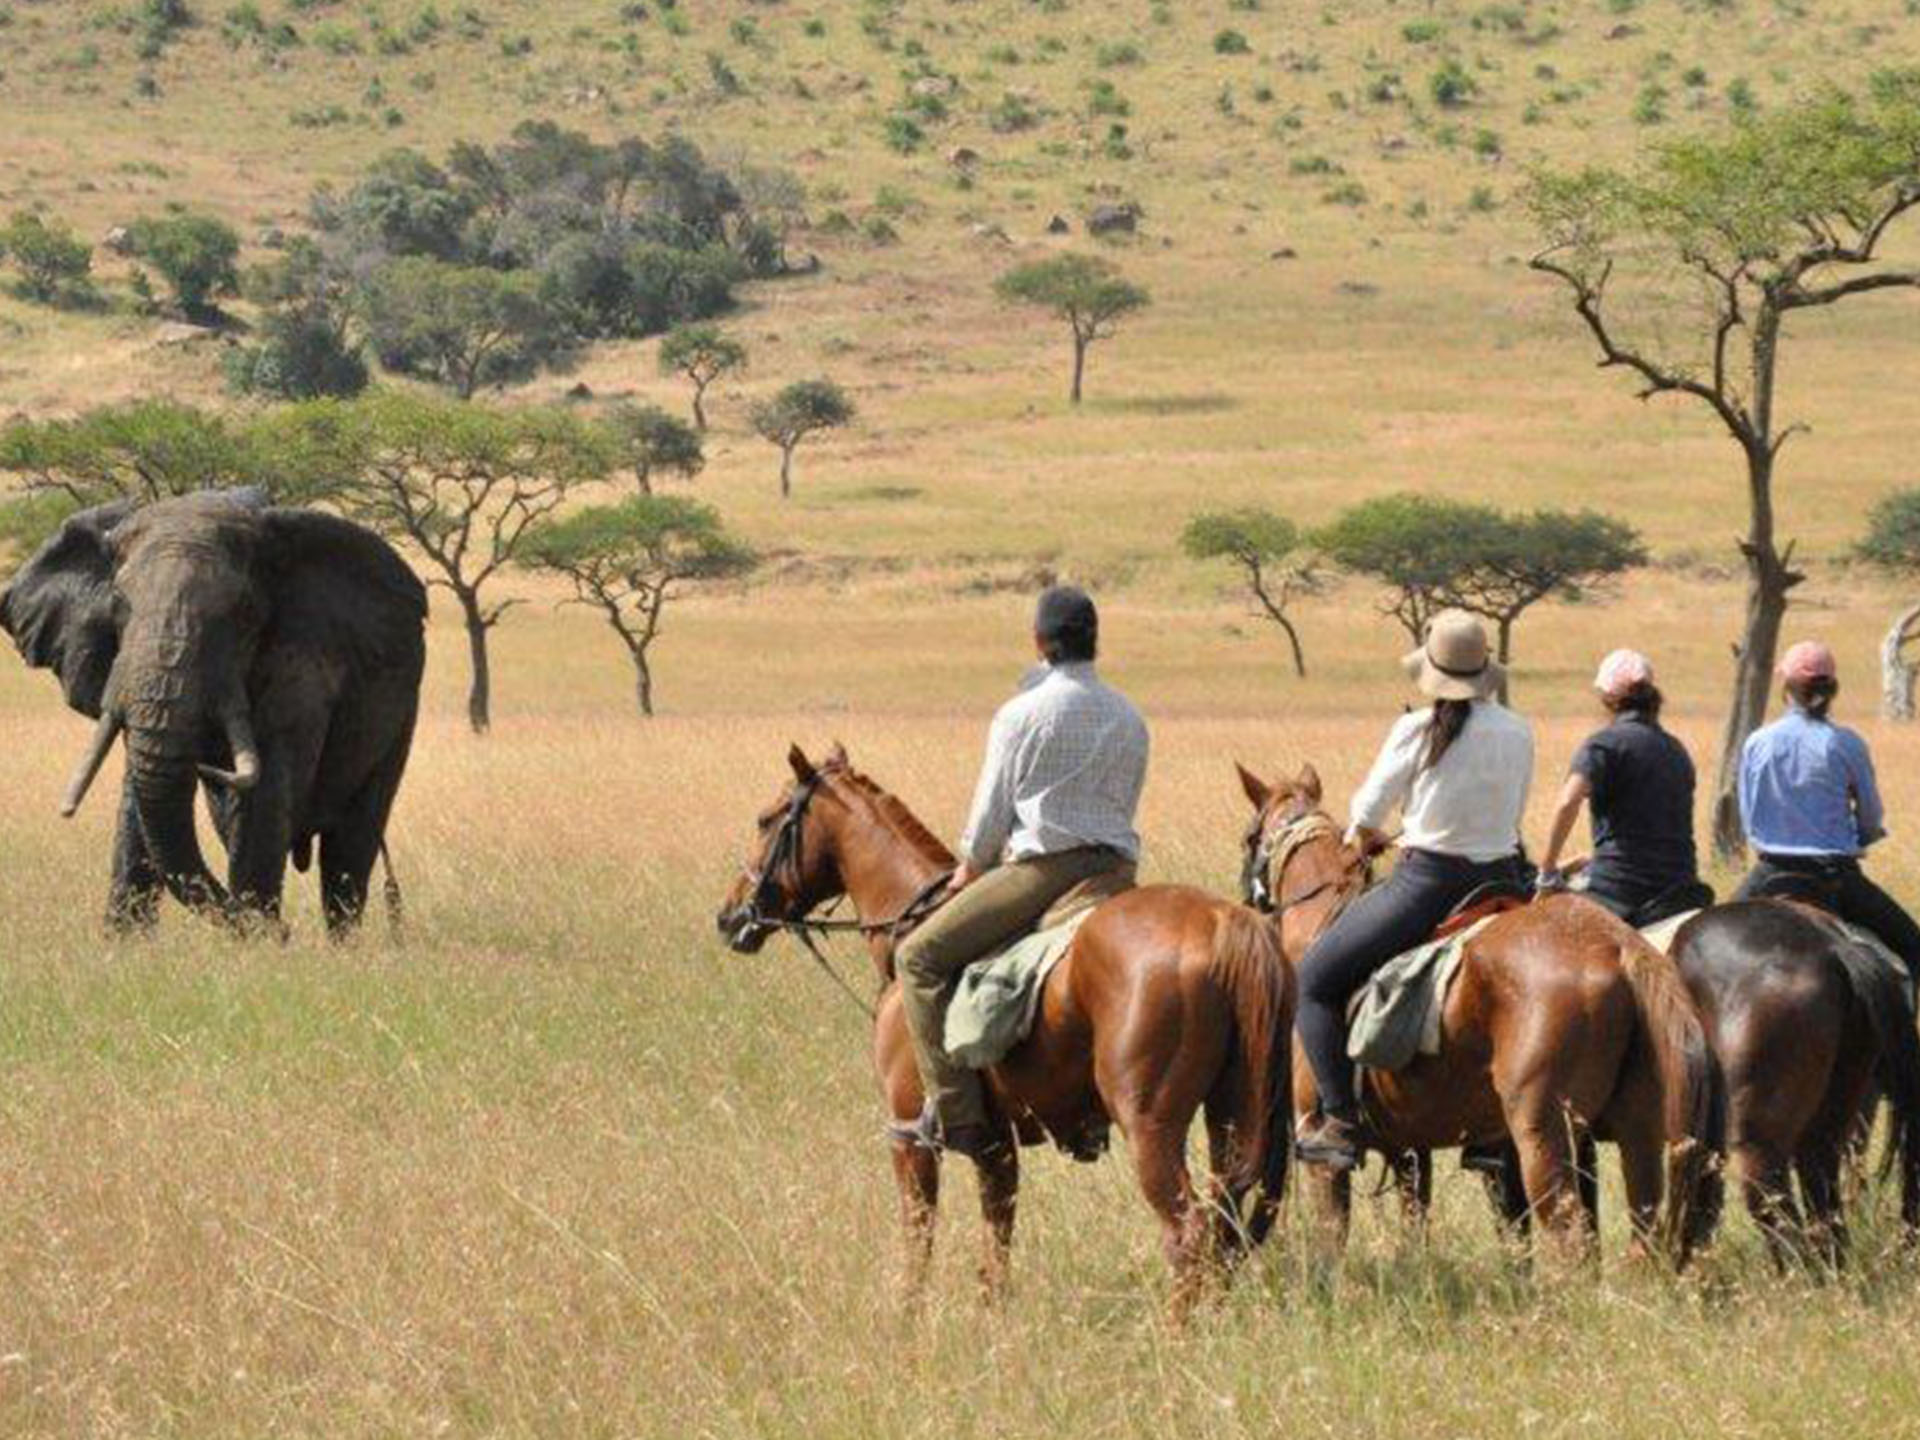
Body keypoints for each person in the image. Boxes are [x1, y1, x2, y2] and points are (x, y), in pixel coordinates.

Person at [896, 585, 1149, 1160]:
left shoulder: (1021, 714)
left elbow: (991, 816)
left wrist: (970, 869)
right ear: (1095, 642)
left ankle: (955, 1114)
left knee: (918, 957)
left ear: (1039, 643)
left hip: (1043, 869)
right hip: (1114, 870)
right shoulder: (1130, 717)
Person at [1293, 610, 1534, 1171]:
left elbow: (1367, 812)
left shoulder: (1417, 729)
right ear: (1484, 672)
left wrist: (1370, 836)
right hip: (1503, 882)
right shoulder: (1517, 729)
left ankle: (1340, 1122)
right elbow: (1514, 810)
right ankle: (1492, 1134)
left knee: (1314, 984)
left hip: (1428, 884)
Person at [1735, 640, 1920, 974]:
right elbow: (1870, 816)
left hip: (1770, 875)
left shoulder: (1758, 742)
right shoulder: (1846, 743)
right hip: (1835, 877)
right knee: (1913, 945)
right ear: (1832, 688)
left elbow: (1750, 818)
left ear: (1785, 687)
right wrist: (1862, 836)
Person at [1537, 649, 1708, 923]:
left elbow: (1568, 802)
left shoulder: (1603, 744)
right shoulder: (1677, 748)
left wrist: (1547, 870)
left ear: (1608, 699)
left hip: (1620, 889)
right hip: (1681, 885)